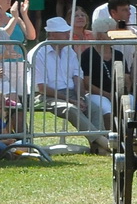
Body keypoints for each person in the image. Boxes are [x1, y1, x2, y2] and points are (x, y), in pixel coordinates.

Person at [32, 15, 111, 152]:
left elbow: (77, 77)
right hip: (46, 96)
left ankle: (98, 147)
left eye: (67, 32)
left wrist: (79, 98)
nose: (68, 35)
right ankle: (104, 143)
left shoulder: (70, 51)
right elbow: (42, 87)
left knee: (95, 109)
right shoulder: (38, 53)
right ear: (52, 35)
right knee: (71, 109)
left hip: (72, 93)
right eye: (63, 32)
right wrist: (71, 100)